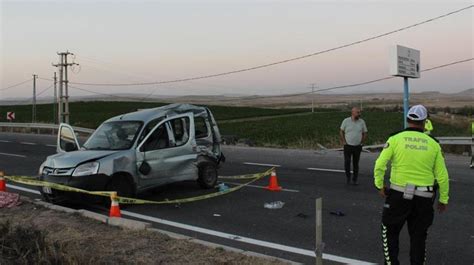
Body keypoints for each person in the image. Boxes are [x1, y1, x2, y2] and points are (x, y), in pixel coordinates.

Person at [374, 105, 449, 265]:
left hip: (398, 195)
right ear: (424, 122)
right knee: (418, 238)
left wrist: (379, 185)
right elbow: (442, 177)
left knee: (390, 232)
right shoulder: (434, 144)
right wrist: (443, 199)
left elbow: (380, 164)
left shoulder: (395, 139)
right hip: (424, 198)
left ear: (408, 120)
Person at [340, 107, 368, 185]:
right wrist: (344, 142)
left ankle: (355, 180)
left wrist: (362, 142)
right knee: (347, 162)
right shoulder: (346, 121)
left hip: (357, 146)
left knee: (356, 163)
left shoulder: (361, 122)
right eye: (357, 112)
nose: (359, 114)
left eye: (359, 112)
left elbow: (365, 133)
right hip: (348, 146)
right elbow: (341, 131)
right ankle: (348, 177)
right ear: (352, 112)